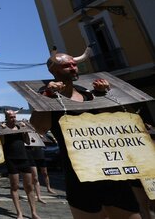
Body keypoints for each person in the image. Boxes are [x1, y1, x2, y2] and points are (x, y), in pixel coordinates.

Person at [30, 48, 141, 219]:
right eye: (67, 66)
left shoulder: (91, 93)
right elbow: (39, 128)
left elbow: (129, 118)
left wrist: (106, 93)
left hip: (112, 170)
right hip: (79, 176)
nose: (74, 68)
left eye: (75, 64)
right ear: (53, 70)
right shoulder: (48, 96)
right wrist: (48, 96)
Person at [2, 110, 40, 219]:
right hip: (11, 160)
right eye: (11, 117)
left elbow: (28, 142)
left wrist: (25, 130)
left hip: (23, 158)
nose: (13, 118)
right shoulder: (3, 129)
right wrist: (3, 130)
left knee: (29, 186)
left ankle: (34, 212)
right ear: (7, 118)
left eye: (14, 116)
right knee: (14, 187)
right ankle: (19, 213)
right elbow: (1, 141)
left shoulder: (20, 128)